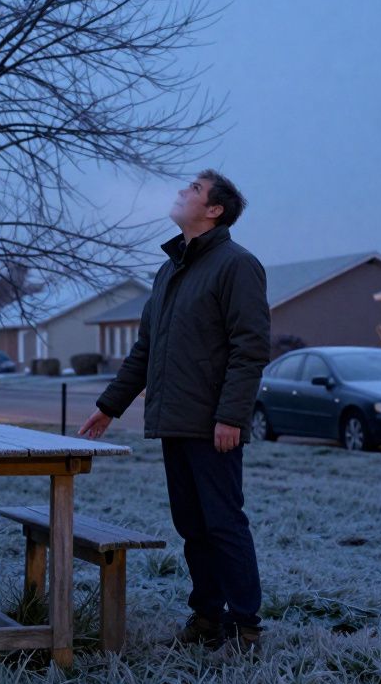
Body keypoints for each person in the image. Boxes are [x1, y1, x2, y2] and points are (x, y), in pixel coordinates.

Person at [78, 169, 270, 653]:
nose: (183, 193)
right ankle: (207, 617)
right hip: (175, 422)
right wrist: (108, 408)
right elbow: (145, 351)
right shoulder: (169, 271)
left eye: (194, 190)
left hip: (213, 426)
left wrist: (231, 416)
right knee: (192, 526)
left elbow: (249, 349)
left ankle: (245, 626)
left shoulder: (236, 265)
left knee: (223, 523)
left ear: (214, 210)